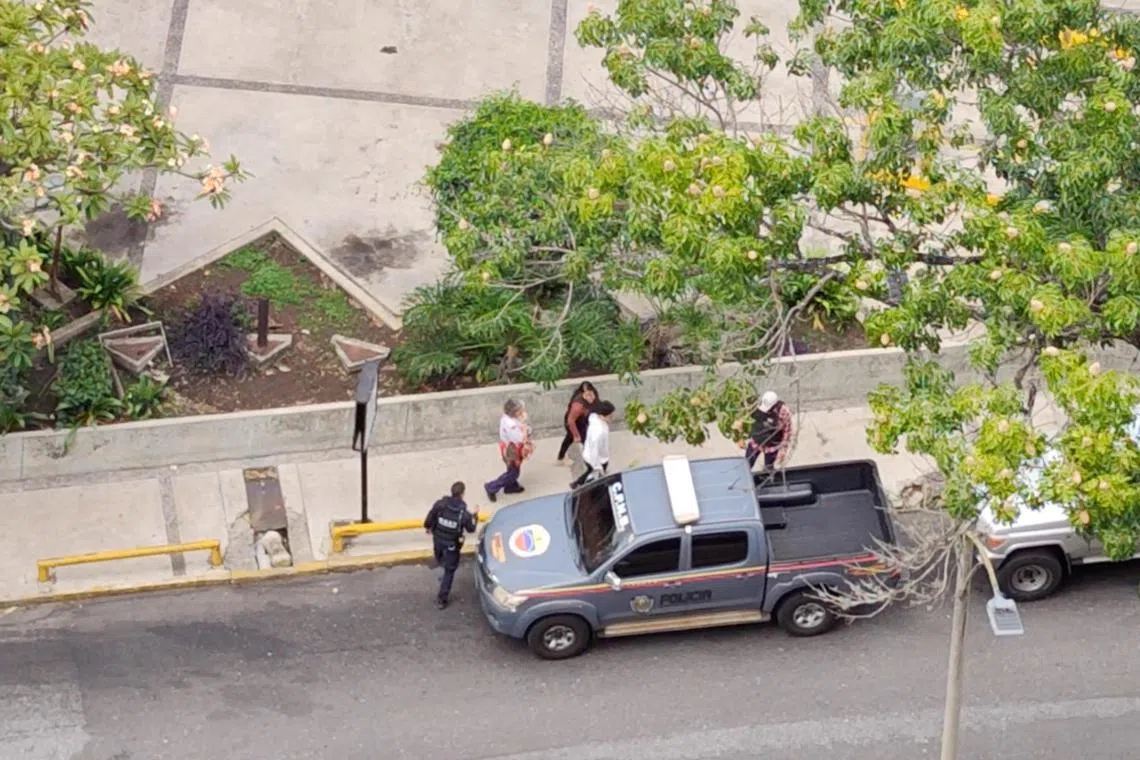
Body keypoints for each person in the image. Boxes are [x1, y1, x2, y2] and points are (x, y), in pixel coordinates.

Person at [423, 481, 478, 609]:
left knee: (440, 559)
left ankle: (442, 566)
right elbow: (471, 528)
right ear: (462, 494)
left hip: (438, 540)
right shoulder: (463, 514)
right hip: (452, 546)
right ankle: (442, 599)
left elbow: (429, 518)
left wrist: (428, 527)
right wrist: (475, 515)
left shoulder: (440, 505)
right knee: (450, 570)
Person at [485, 399, 532, 502]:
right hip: (512, 449)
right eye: (520, 410)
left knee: (511, 469)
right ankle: (491, 487)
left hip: (508, 446)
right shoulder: (512, 426)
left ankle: (511, 486)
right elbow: (521, 439)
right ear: (514, 412)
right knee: (513, 472)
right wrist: (524, 426)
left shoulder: (507, 418)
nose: (522, 411)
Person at [743, 391, 793, 470]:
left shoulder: (783, 411)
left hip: (772, 445)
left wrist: (783, 451)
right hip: (756, 441)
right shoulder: (755, 405)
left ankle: (767, 479)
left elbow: (787, 432)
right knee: (746, 464)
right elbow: (744, 420)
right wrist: (740, 438)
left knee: (768, 469)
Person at [571, 400, 615, 489]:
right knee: (596, 476)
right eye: (610, 416)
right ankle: (587, 486)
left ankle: (577, 483)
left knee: (589, 471)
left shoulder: (595, 419)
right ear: (602, 416)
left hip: (590, 456)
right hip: (597, 459)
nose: (612, 418)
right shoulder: (599, 432)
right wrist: (598, 467)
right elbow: (594, 451)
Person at [557, 381, 598, 465]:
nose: (591, 397)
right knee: (575, 438)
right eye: (588, 395)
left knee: (576, 438)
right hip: (572, 421)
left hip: (581, 419)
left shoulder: (592, 399)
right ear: (583, 394)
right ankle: (591, 460)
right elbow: (570, 421)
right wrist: (576, 435)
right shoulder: (578, 406)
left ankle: (561, 457)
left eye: (592, 394)